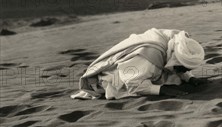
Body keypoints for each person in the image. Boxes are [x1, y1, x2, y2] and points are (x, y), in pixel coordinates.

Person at [71, 28, 205, 100]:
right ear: (175, 60)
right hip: (119, 73)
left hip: (142, 64)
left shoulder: (175, 42)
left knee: (175, 78)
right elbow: (133, 85)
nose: (184, 71)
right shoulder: (148, 58)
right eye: (183, 68)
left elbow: (180, 60)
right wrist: (163, 90)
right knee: (119, 87)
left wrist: (190, 78)